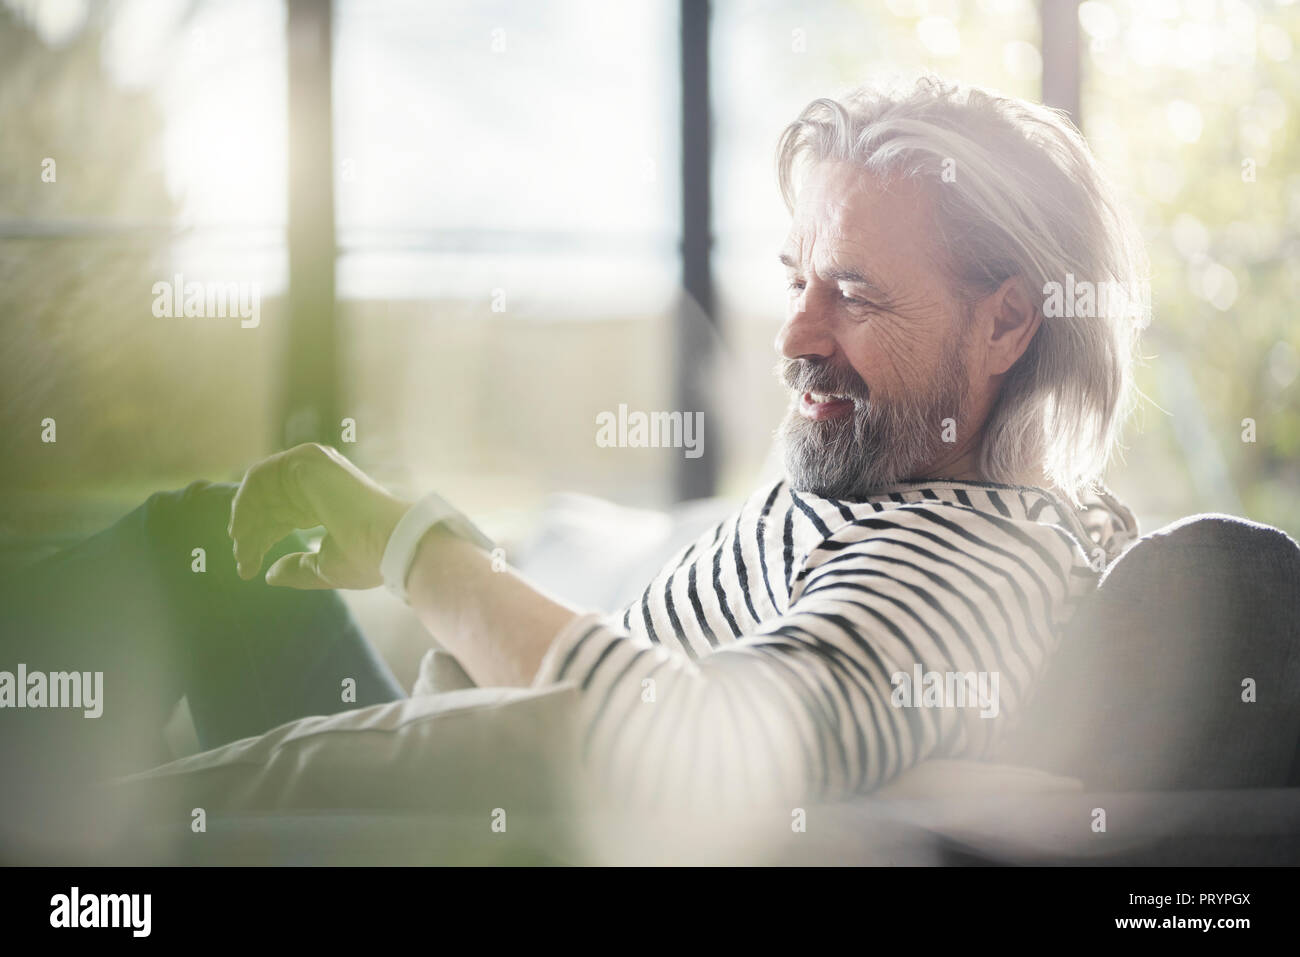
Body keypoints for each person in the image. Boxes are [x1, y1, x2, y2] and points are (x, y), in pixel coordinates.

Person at [0, 76, 1145, 860]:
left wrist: (416, 551)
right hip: (455, 787)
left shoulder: (976, 561)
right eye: (796, 274)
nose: (795, 333)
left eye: (853, 293)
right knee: (205, 544)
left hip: (481, 828)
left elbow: (704, 757)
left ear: (1005, 328)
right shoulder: (873, 483)